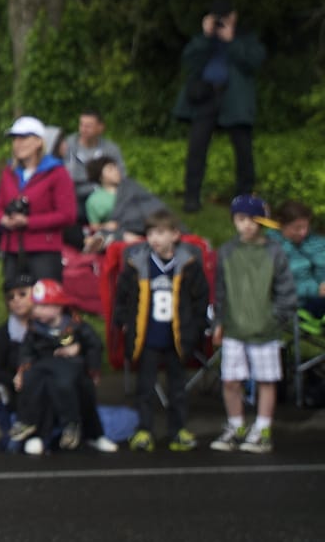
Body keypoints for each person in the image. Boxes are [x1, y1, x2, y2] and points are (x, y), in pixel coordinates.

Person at [114, 209, 210, 453]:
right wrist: (123, 320)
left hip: (177, 338)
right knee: (144, 387)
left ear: (175, 235)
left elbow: (200, 299)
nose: (154, 238)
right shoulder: (137, 263)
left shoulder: (188, 264)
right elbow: (122, 296)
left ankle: (177, 429)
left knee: (178, 388)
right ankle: (144, 429)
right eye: (150, 233)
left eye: (160, 233)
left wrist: (197, 327)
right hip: (147, 337)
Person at [210, 194, 295, 454]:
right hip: (234, 329)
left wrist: (274, 318)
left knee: (266, 381)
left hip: (265, 331)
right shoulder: (226, 252)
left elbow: (286, 291)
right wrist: (219, 322)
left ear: (261, 222)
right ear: (234, 221)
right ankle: (236, 426)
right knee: (231, 381)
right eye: (240, 219)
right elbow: (221, 292)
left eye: (251, 220)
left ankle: (262, 429)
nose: (246, 225)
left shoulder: (274, 252)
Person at [172, 0, 263, 212]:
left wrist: (231, 41)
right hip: (206, 97)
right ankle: (191, 197)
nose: (221, 22)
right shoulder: (204, 39)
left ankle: (243, 200)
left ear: (234, 17)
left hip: (234, 100)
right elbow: (189, 60)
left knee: (243, 151)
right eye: (217, 18)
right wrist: (205, 36)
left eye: (225, 17)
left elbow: (254, 62)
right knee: (196, 148)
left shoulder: (246, 37)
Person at [7, 279, 113, 456]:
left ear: (57, 307)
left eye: (41, 307)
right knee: (34, 381)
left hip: (75, 373)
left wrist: (86, 359)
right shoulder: (34, 329)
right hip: (46, 373)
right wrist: (22, 371)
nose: (35, 311)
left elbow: (94, 345)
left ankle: (83, 430)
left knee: (66, 385)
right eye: (36, 306)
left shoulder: (75, 325)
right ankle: (32, 428)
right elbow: (26, 352)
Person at [0, 116, 75, 286]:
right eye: (15, 139)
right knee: (16, 304)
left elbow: (67, 215)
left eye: (24, 138)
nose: (18, 143)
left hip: (44, 249)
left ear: (39, 142)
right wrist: (3, 220)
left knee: (45, 304)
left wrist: (29, 222)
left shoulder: (57, 172)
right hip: (12, 248)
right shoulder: (10, 172)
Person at [80, 160, 165, 254]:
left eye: (116, 167)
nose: (116, 171)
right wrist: (105, 225)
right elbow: (93, 226)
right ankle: (110, 239)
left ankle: (112, 238)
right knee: (115, 233)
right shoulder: (94, 200)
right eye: (110, 169)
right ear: (100, 176)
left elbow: (147, 201)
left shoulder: (130, 186)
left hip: (141, 220)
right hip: (120, 227)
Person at [272, 200, 325, 317]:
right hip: (298, 303)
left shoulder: (313, 241)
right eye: (297, 228)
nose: (303, 232)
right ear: (281, 225)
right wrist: (316, 290)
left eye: (306, 227)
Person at [60, 111, 126, 206]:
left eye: (89, 126)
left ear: (100, 128)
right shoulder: (67, 146)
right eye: (81, 125)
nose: (84, 129)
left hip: (103, 196)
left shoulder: (111, 149)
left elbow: (121, 175)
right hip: (74, 196)